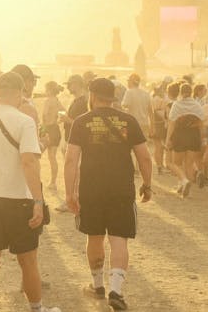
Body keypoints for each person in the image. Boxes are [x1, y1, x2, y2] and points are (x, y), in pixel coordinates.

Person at [0, 72, 59, 312]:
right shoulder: (24, 122)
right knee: (28, 261)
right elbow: (29, 162)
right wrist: (38, 201)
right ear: (21, 93)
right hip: (19, 199)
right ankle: (37, 308)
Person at [65, 78, 153, 311]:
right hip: (121, 189)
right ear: (112, 97)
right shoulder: (128, 120)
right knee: (118, 239)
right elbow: (144, 156)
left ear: (92, 96)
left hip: (91, 190)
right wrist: (148, 184)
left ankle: (97, 285)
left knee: (94, 237)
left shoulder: (81, 122)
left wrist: (69, 192)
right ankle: (116, 289)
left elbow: (71, 159)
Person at [165, 83, 204, 197]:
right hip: (194, 136)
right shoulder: (197, 105)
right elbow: (201, 123)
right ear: (191, 92)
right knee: (189, 164)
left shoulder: (177, 104)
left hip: (180, 135)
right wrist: (202, 139)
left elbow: (172, 124)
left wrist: (168, 139)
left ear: (181, 92)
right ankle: (184, 187)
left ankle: (183, 181)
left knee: (175, 163)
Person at [40, 81, 65, 190]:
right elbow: (64, 111)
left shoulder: (48, 101)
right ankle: (53, 182)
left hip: (48, 129)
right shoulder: (57, 100)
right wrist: (58, 121)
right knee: (52, 157)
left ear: (49, 90)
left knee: (37, 154)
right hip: (55, 129)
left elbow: (44, 116)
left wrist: (42, 130)